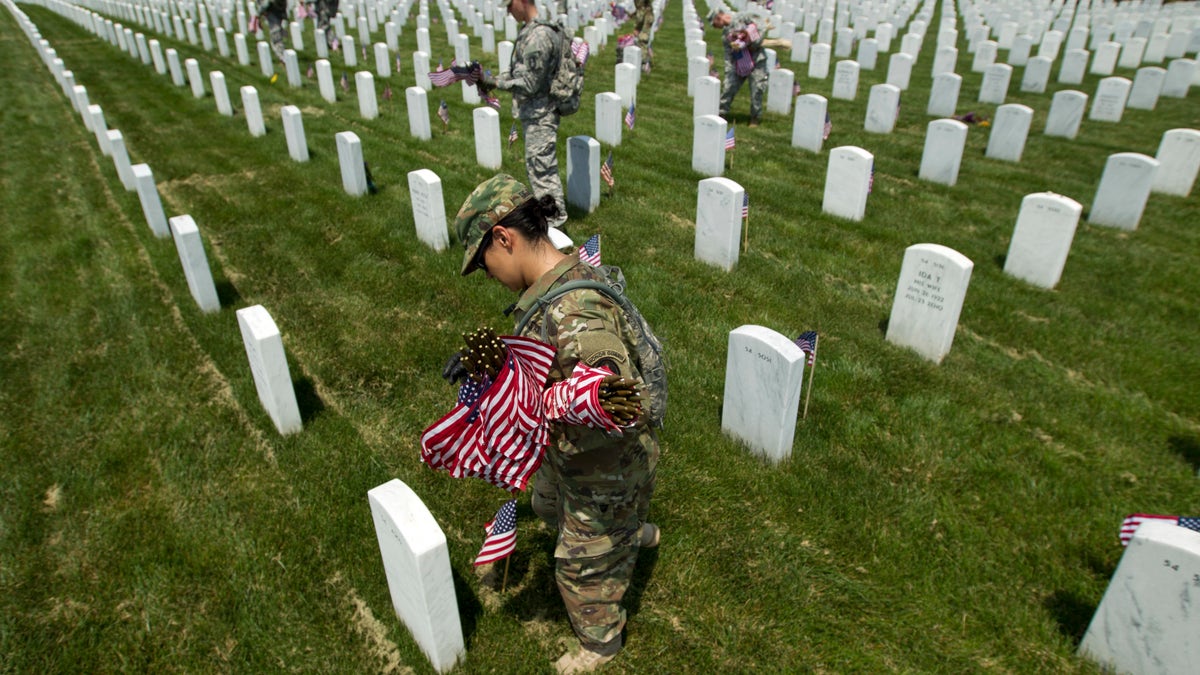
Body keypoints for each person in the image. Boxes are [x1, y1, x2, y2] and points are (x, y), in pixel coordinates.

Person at [452, 174, 660, 674]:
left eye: (485, 264)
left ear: (504, 238)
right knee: (545, 502)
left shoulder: (575, 311)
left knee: (577, 565)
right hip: (571, 454)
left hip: (607, 462)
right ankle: (630, 530)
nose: (488, 275)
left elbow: (614, 406)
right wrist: (498, 369)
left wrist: (525, 404)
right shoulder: (557, 284)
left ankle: (602, 642)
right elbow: (554, 364)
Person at [478, 0, 569, 229]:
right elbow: (519, 71)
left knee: (543, 176)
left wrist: (495, 82)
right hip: (534, 114)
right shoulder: (529, 31)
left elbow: (530, 83)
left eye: (510, 5)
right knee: (538, 171)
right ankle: (550, 233)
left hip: (541, 115)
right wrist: (492, 79)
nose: (508, 10)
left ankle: (557, 232)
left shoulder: (538, 36)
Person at [710, 8, 768, 127]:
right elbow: (728, 55)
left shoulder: (744, 16)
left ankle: (755, 117)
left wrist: (753, 41)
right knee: (728, 87)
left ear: (719, 17)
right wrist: (729, 71)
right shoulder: (726, 35)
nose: (717, 28)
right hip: (739, 62)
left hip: (757, 59)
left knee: (757, 88)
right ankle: (721, 114)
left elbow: (762, 25)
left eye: (716, 25)